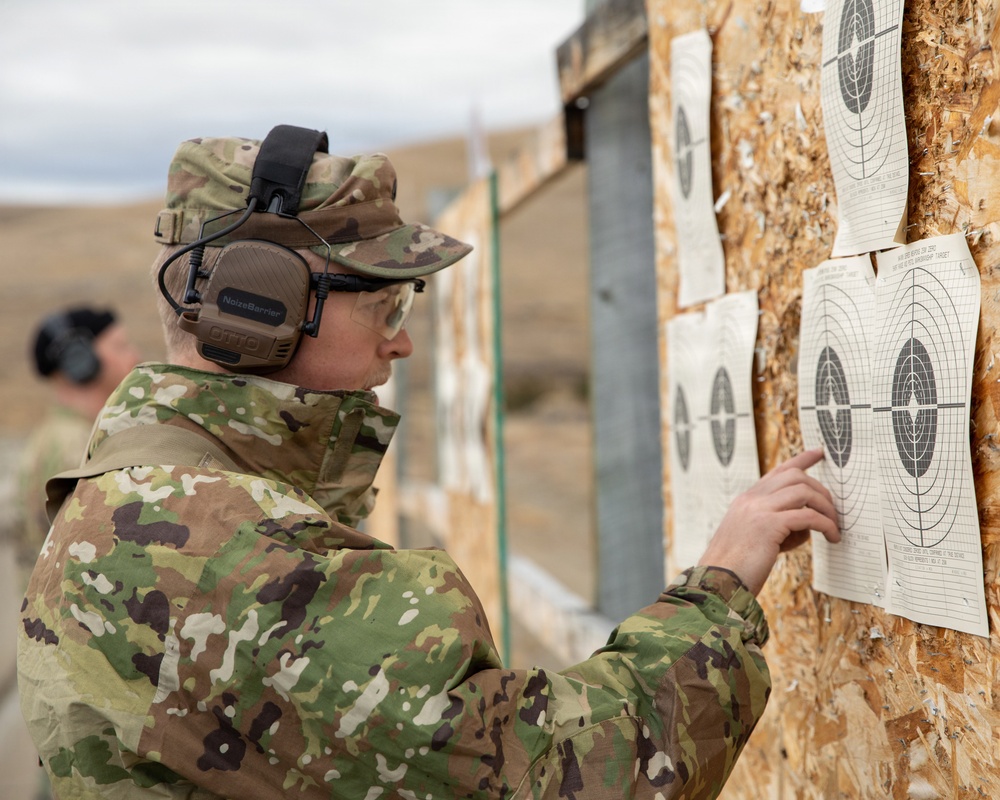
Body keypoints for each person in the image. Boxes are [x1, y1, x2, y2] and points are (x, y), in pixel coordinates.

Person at [17, 125, 840, 800]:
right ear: (257, 307)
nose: (401, 339)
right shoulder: (227, 551)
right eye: (384, 304)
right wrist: (720, 588)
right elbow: (561, 779)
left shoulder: (143, 489)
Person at [12, 306, 140, 591]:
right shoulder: (79, 449)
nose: (135, 357)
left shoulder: (57, 436)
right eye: (120, 346)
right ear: (80, 361)